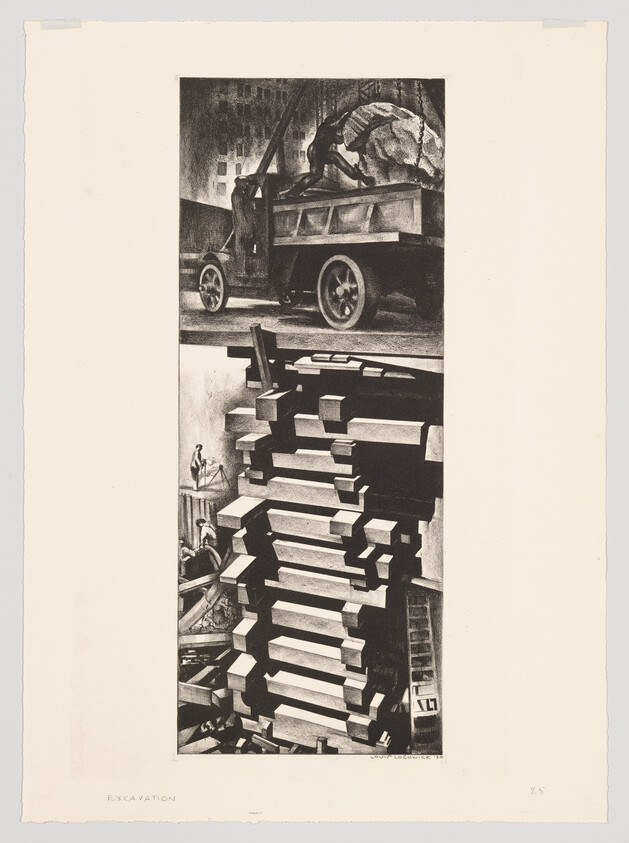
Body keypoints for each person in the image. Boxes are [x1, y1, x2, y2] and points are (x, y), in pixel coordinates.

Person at [283, 112, 375, 197]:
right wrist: (346, 118)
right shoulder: (325, 129)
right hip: (315, 152)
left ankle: (358, 176)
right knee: (316, 175)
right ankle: (292, 193)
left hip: (322, 153)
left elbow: (339, 140)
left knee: (336, 157)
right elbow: (338, 133)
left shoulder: (330, 131)